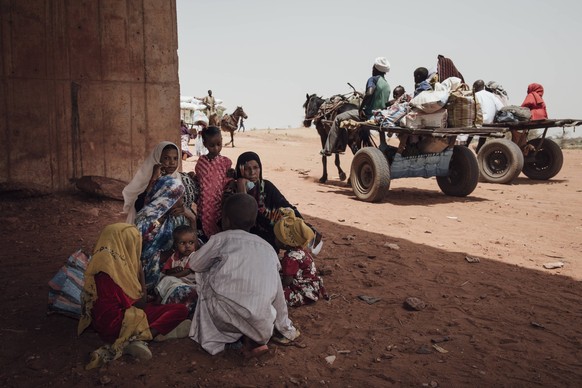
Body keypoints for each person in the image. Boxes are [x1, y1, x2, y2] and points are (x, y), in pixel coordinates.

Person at [187, 193, 300, 356]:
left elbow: (195, 265)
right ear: (254, 222)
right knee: (266, 285)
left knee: (203, 276)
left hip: (223, 318)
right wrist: (284, 327)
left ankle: (221, 342)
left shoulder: (219, 239)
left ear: (225, 219)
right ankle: (250, 339)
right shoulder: (268, 248)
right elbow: (278, 296)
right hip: (261, 321)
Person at [78, 223, 190, 369]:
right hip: (118, 326)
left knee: (155, 307)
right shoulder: (118, 273)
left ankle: (155, 333)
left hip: (99, 323)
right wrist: (141, 274)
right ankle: (142, 337)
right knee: (180, 310)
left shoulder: (100, 263)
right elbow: (141, 303)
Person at [232, 151, 322, 254]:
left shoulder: (267, 186)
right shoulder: (232, 190)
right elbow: (243, 218)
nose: (252, 172)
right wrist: (242, 187)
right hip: (244, 242)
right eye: (247, 169)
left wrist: (305, 226)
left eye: (255, 168)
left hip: (269, 241)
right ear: (240, 170)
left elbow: (286, 207)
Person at [135, 175, 196, 292]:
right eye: (179, 198)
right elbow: (140, 253)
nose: (181, 204)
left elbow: (193, 243)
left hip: (175, 265)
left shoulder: (178, 217)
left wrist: (192, 218)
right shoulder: (145, 218)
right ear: (166, 198)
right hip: (150, 271)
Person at [323, 57, 391, 155]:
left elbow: (369, 92)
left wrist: (361, 108)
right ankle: (383, 146)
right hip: (379, 117)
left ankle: (328, 149)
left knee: (338, 118)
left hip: (368, 114)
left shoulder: (373, 79)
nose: (372, 69)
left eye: (373, 67)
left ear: (376, 69)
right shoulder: (387, 85)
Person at [274, 208, 328, 307]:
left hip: (303, 291)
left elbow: (287, 281)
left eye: (277, 237)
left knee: (275, 294)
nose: (275, 239)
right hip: (310, 285)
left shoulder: (290, 259)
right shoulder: (301, 251)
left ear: (286, 243)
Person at [122, 141, 181, 224]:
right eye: (166, 158)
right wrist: (153, 179)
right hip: (148, 227)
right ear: (157, 158)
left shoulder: (178, 179)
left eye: (175, 158)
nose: (172, 162)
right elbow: (139, 207)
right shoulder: (146, 178)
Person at [194, 126, 233, 239]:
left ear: (221, 140)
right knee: (203, 235)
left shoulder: (226, 162)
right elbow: (199, 179)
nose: (216, 148)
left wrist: (230, 181)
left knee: (219, 232)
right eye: (212, 145)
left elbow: (228, 181)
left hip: (219, 205)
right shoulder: (201, 162)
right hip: (203, 205)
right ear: (205, 144)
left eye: (219, 144)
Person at [155, 225, 198, 317]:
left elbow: (187, 271)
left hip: (190, 283)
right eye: (183, 243)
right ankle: (158, 302)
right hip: (178, 281)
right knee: (164, 278)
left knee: (168, 280)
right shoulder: (173, 257)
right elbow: (166, 271)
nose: (187, 246)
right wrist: (172, 271)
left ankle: (159, 303)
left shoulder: (194, 256)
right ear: (175, 245)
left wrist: (173, 275)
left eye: (191, 242)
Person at [471, 79, 505, 152]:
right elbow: (501, 107)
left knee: (469, 134)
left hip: (479, 122)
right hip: (490, 123)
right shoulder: (491, 95)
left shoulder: (475, 95)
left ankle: (465, 148)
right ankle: (479, 151)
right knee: (482, 137)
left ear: (475, 87)